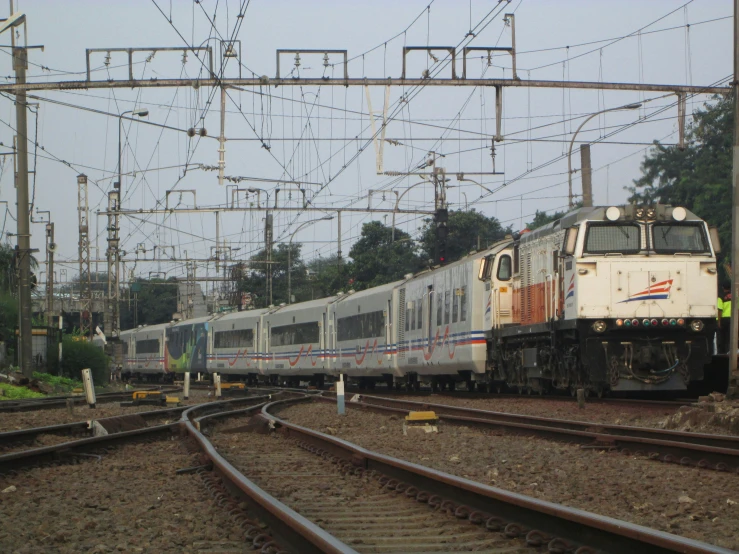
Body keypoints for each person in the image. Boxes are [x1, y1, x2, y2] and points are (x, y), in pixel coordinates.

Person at [718, 282, 732, 353]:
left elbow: (720, 310)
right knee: (729, 337)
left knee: (722, 337)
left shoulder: (721, 296)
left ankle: (722, 353)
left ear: (723, 288)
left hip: (724, 319)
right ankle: (729, 352)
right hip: (732, 319)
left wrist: (719, 321)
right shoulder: (735, 296)